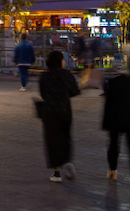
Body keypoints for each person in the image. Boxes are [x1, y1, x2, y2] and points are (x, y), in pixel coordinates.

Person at [38, 50, 80, 183]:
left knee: (52, 140)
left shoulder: (44, 76)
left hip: (49, 112)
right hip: (64, 110)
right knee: (65, 136)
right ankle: (66, 161)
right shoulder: (66, 74)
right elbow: (75, 91)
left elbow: (43, 94)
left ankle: (56, 172)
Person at [102, 69, 130, 185]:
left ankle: (113, 169)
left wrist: (105, 123)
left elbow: (108, 105)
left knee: (113, 145)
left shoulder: (111, 84)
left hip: (115, 119)